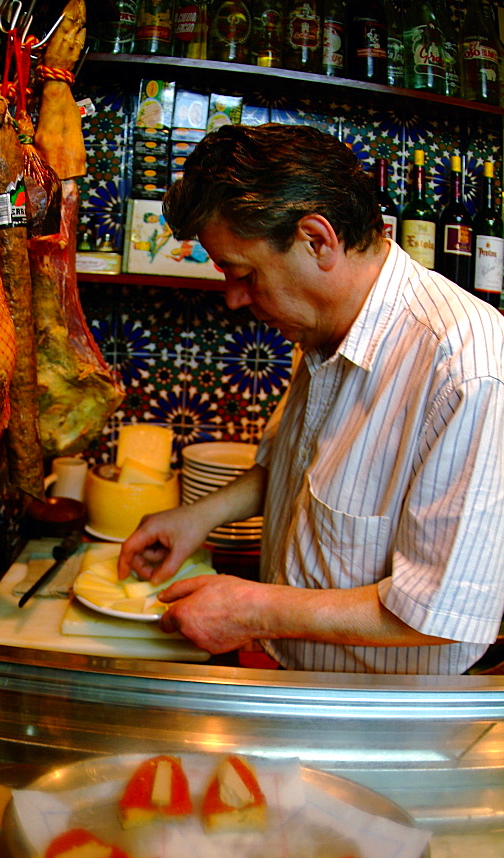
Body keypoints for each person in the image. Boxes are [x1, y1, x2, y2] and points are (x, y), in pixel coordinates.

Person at [118, 124, 504, 674]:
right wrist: (199, 516)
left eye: (244, 273)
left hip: (381, 721)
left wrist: (255, 611)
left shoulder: (466, 367)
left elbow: (442, 610)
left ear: (316, 240)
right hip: (300, 680)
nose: (233, 299)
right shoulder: (322, 326)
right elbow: (297, 467)